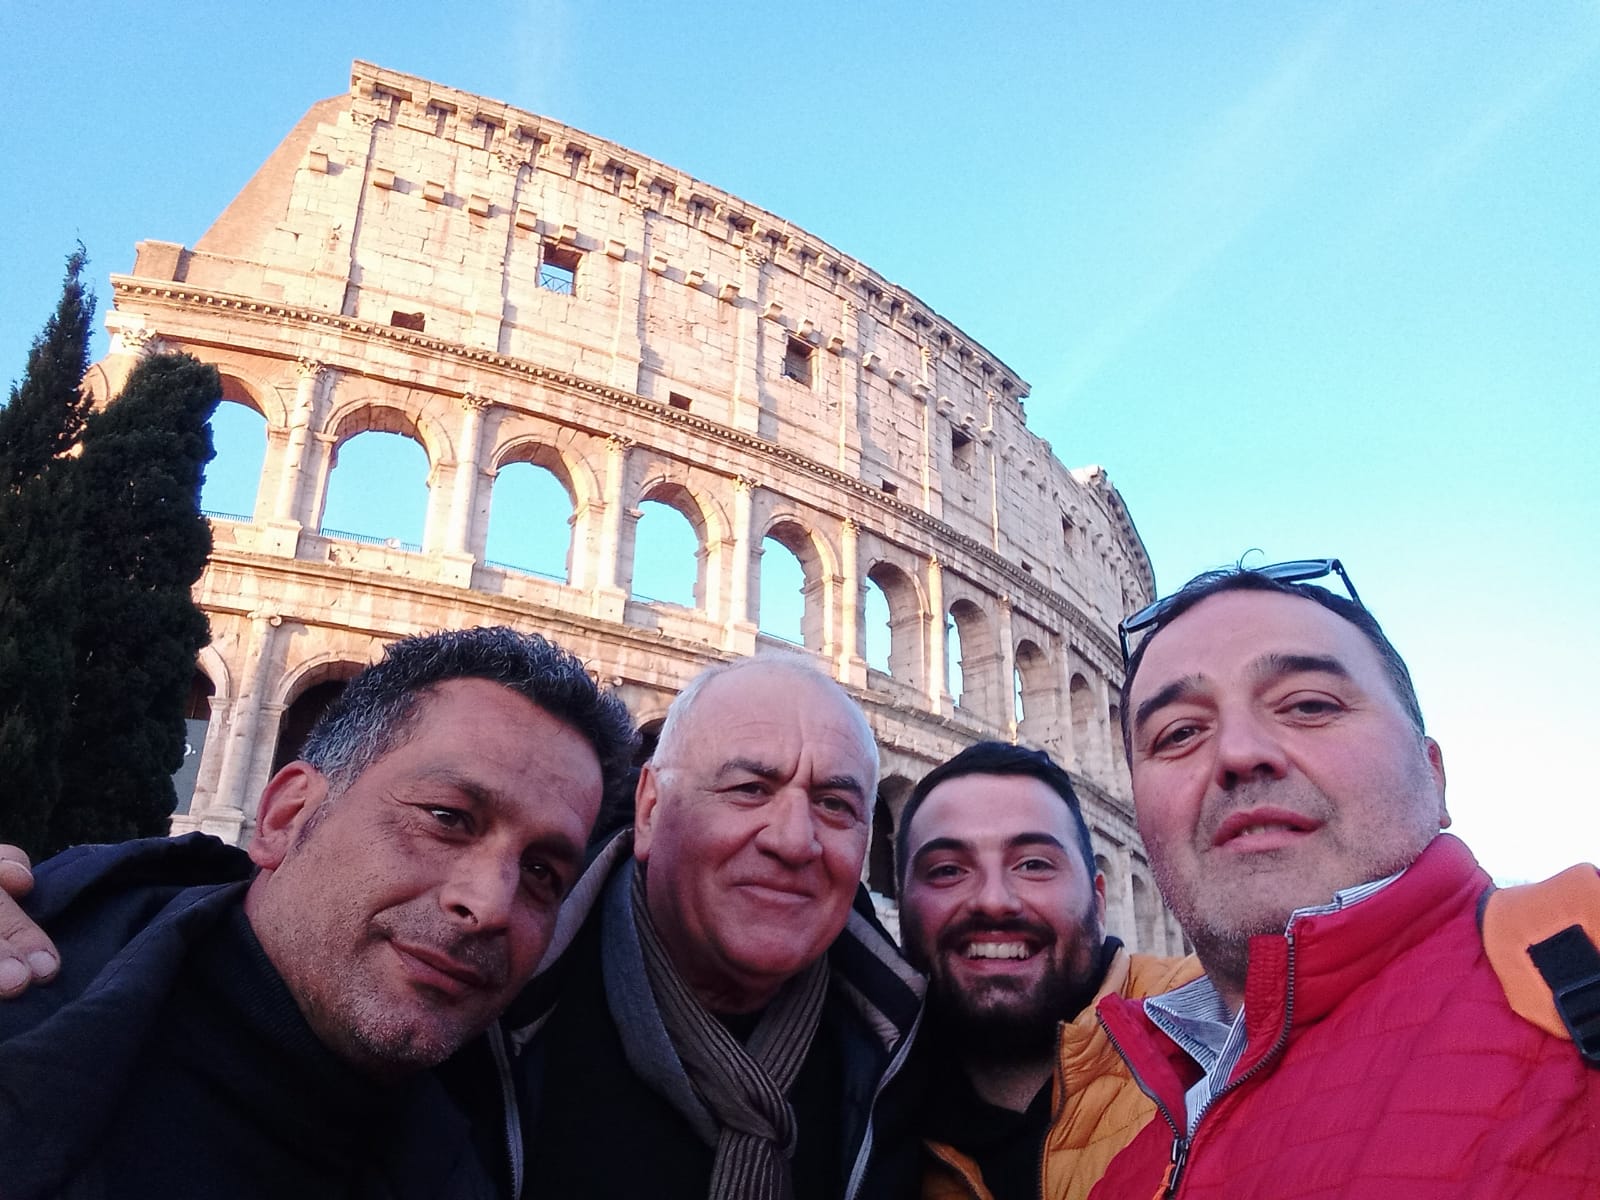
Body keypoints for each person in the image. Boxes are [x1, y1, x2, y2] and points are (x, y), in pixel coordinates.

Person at [0, 626, 636, 1200]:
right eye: (447, 818)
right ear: (286, 816)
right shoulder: (29, 981)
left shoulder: (503, 1133)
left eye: (542, 872)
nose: (490, 905)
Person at [1089, 560, 1600, 1199]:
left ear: (1433, 772)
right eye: (1180, 733)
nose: (1239, 752)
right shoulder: (1125, 1178)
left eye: (1308, 704)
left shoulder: (1582, 964)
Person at [506, 652, 925, 1200]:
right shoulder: (487, 1004)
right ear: (651, 809)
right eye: (749, 789)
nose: (794, 841)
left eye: (833, 804)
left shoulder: (913, 1051)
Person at [891, 741, 1197, 1200]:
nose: (994, 901)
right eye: (948, 870)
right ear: (902, 902)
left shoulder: (1226, 1024)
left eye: (1033, 864)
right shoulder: (861, 1117)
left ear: (1098, 899)